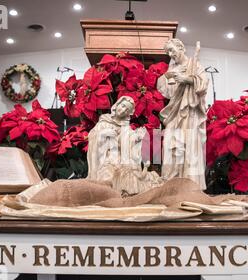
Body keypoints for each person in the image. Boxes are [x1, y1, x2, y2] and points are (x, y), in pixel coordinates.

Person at [157, 39, 209, 190]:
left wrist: (188, 80)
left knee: (189, 144)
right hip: (175, 111)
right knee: (170, 143)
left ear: (181, 48)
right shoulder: (172, 67)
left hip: (190, 111)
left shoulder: (195, 65)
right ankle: (171, 183)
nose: (171, 55)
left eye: (172, 50)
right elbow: (167, 92)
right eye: (168, 53)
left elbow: (203, 85)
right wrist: (167, 77)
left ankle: (189, 185)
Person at [87, 96, 162, 194]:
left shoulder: (125, 126)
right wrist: (103, 134)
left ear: (128, 114)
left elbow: (130, 139)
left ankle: (127, 190)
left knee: (129, 173)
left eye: (127, 110)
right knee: (108, 177)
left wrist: (137, 138)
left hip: (121, 158)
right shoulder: (104, 122)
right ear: (117, 104)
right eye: (122, 106)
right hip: (106, 158)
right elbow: (92, 137)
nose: (123, 111)